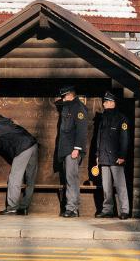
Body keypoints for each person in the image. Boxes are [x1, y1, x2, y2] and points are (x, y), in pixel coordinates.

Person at [95, 91, 130, 220]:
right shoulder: (103, 118)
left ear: (111, 103)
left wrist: (122, 155)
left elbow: (124, 139)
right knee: (106, 187)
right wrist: (97, 154)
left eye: (105, 102)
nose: (103, 104)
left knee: (120, 186)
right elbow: (99, 138)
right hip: (104, 157)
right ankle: (107, 210)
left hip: (116, 158)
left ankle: (124, 210)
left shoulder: (121, 119)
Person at [57, 86, 88, 217]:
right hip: (66, 149)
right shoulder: (68, 106)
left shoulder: (78, 107)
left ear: (70, 95)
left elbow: (81, 129)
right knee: (69, 178)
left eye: (64, 96)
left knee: (72, 179)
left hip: (72, 150)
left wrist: (77, 148)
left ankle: (72, 209)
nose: (63, 99)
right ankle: (71, 207)